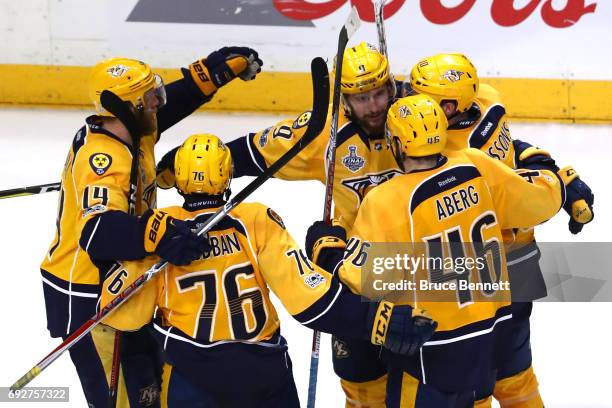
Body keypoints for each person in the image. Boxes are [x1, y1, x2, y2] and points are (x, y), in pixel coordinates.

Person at [99, 134, 436, 408]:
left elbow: (123, 316)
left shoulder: (162, 230)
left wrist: (141, 247)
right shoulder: (256, 219)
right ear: (227, 176)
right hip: (263, 376)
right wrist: (379, 320)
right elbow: (310, 297)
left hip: (191, 379)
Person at [156, 41, 402, 407]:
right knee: (362, 385)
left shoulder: (416, 118)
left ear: (392, 88)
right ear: (343, 100)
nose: (374, 107)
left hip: (419, 266)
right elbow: (255, 151)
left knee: (422, 378)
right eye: (361, 98)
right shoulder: (326, 133)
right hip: (356, 270)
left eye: (379, 94)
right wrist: (189, 165)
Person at [307, 94, 565, 407]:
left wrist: (326, 250)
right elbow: (539, 203)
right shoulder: (476, 163)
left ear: (398, 145)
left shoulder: (387, 199)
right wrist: (548, 171)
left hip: (431, 350)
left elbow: (361, 279)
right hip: (489, 338)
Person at [40, 48, 263, 407]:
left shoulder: (133, 130)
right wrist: (157, 233)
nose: (157, 103)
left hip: (128, 283)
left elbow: (169, 106)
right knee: (126, 401)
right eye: (148, 98)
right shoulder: (104, 159)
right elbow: (96, 233)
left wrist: (205, 77)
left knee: (151, 391)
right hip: (90, 295)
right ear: (124, 107)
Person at [406, 53, 594, 406]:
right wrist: (555, 178)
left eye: (420, 94)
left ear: (449, 106)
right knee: (512, 375)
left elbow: (509, 163)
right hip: (508, 262)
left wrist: (548, 176)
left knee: (488, 379)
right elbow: (513, 163)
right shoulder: (484, 99)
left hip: (486, 275)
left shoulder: (444, 153)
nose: (409, 99)